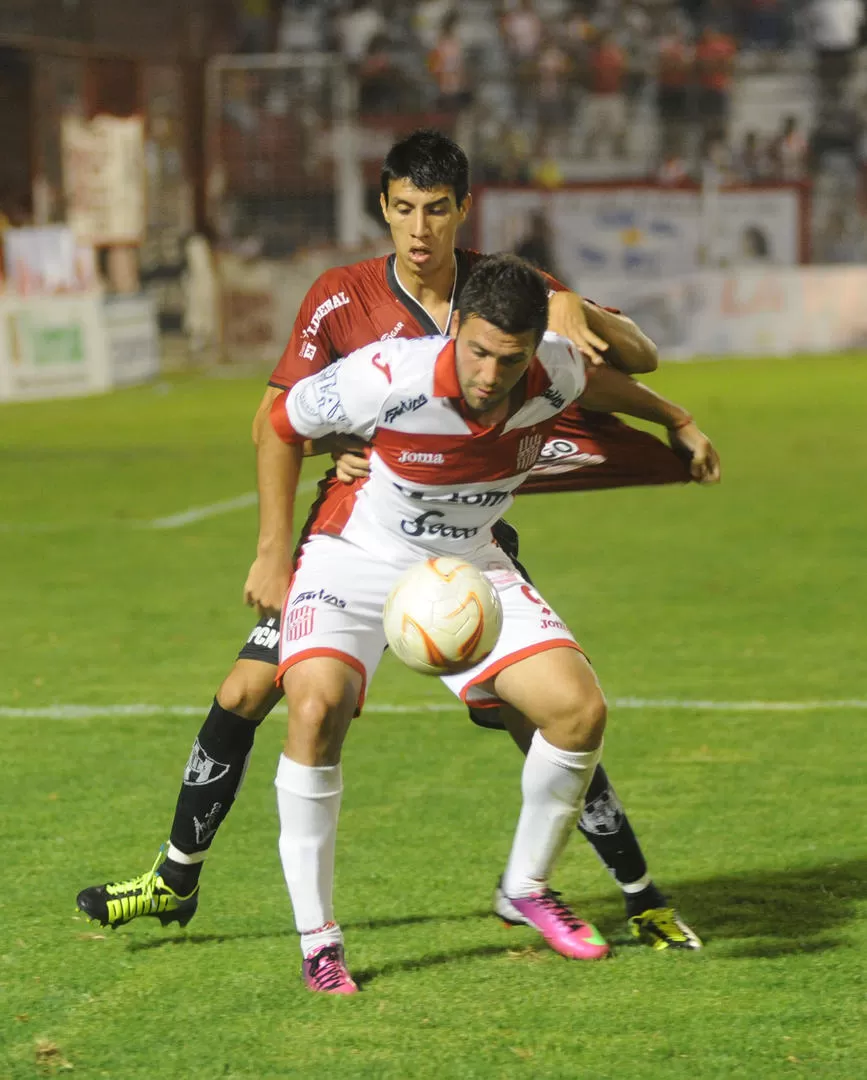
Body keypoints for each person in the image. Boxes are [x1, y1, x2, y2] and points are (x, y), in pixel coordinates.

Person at [76, 131, 717, 950]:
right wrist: (335, 456)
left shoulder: (503, 289)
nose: (420, 230)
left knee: (542, 717)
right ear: (382, 207)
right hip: (355, 533)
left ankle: (634, 890)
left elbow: (632, 361)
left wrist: (576, 308)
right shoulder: (340, 299)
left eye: (437, 210)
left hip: (464, 539)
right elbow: (277, 420)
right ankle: (173, 880)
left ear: (462, 211)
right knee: (246, 693)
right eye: (405, 209)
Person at [264, 254, 704, 993]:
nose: (490, 375)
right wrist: (272, 553)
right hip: (356, 554)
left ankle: (523, 888)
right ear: (456, 328)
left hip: (467, 564)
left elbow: (598, 377)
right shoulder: (387, 374)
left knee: (577, 711)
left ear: (533, 348)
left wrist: (679, 420)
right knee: (314, 708)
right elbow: (275, 424)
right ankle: (319, 940)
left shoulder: (551, 370)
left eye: (511, 358)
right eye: (476, 352)